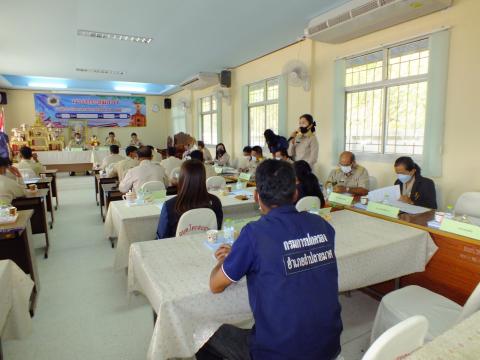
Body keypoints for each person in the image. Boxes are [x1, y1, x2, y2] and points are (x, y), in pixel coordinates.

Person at [199, 160, 342, 360]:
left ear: (256, 196)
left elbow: (215, 285)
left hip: (278, 353)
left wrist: (227, 259)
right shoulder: (321, 225)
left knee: (202, 334)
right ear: (295, 194)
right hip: (329, 345)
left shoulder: (254, 233)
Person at [156, 159, 223, 239]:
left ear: (181, 178)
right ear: (203, 178)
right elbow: (217, 228)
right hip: (207, 247)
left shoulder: (169, 205)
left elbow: (161, 237)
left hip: (177, 248)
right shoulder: (215, 201)